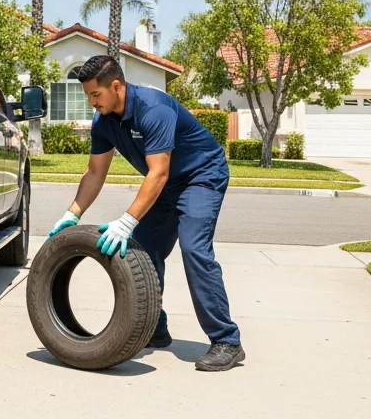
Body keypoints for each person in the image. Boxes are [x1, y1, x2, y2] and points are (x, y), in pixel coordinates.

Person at [46, 54, 245, 371]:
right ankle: (156, 327)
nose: (91, 102)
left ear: (116, 86)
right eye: (87, 96)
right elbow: (95, 172)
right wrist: (72, 213)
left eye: (95, 95)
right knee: (144, 249)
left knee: (194, 248)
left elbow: (158, 174)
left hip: (201, 176)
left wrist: (126, 221)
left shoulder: (153, 109)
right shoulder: (105, 121)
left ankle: (227, 341)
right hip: (166, 183)